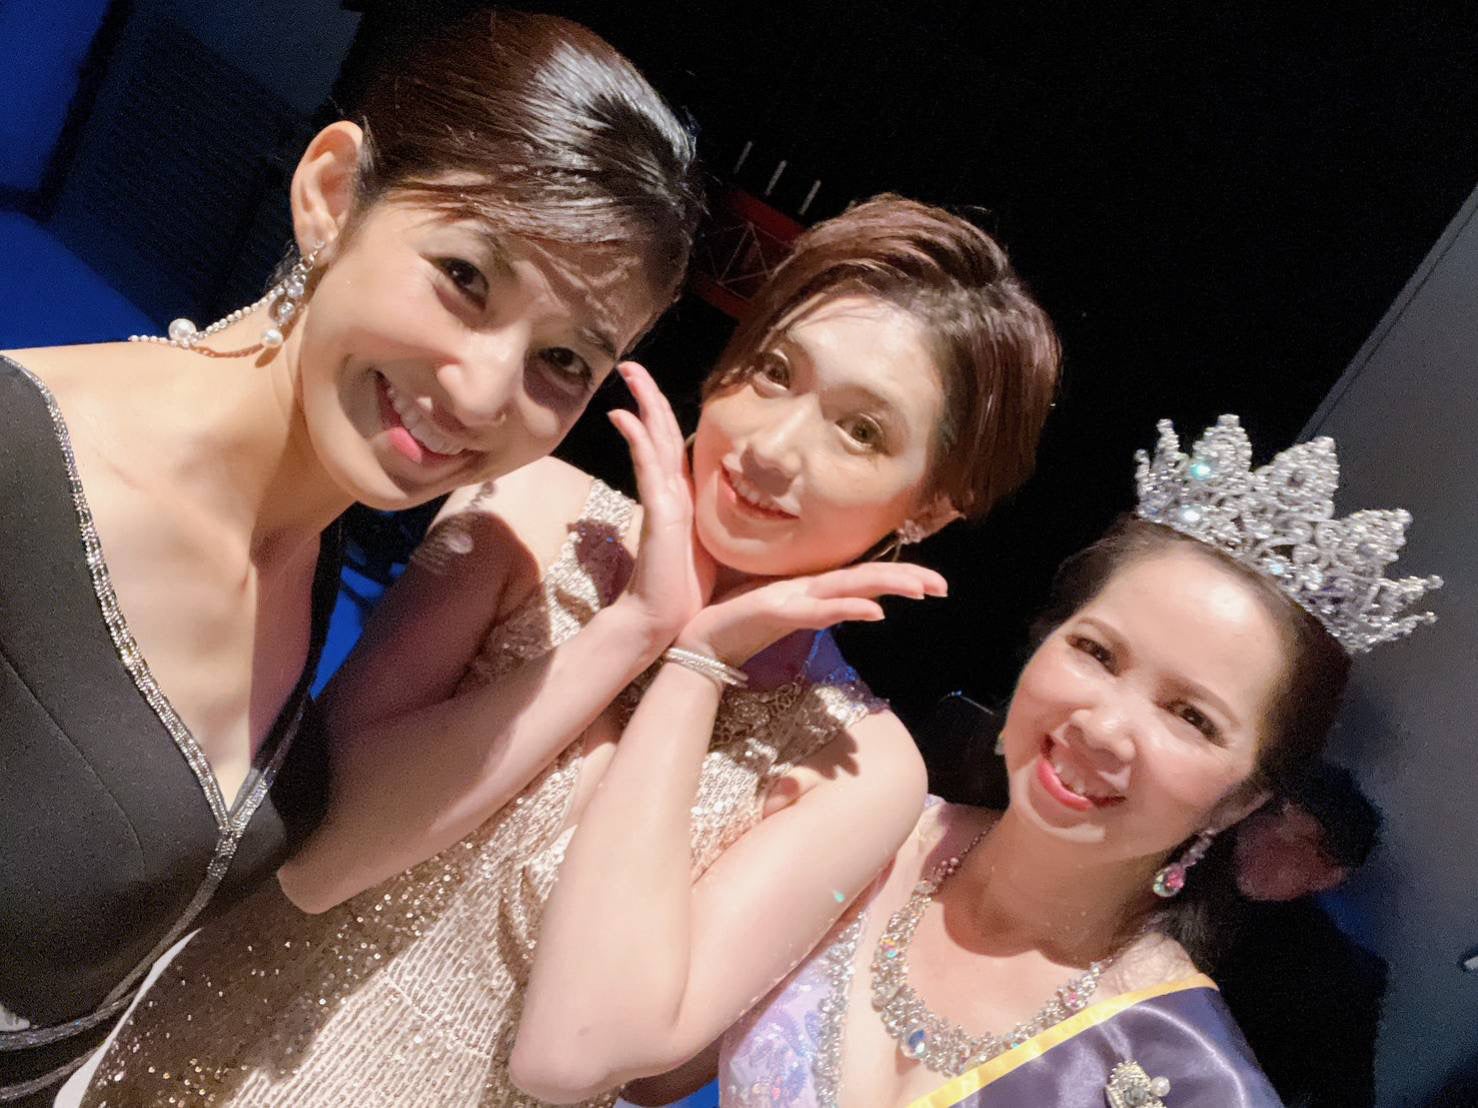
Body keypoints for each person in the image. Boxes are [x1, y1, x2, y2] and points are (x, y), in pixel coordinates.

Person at [79, 194, 1062, 1106]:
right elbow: (318, 861)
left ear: (931, 508)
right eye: (774, 372)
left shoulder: (860, 771)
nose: (772, 447)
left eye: (860, 431)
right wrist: (631, 628)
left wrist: (694, 667)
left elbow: (571, 1055)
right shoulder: (531, 514)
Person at [0, 10, 702, 1104]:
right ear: (332, 193)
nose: (483, 391)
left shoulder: (307, 548)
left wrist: (648, 629)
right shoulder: (21, 459)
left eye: (563, 360)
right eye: (465, 276)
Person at [588, 415, 1441, 1107]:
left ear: (1241, 800)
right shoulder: (860, 830)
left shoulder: (1188, 1076)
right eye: (1097, 653)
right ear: (1041, 645)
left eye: (1189, 716)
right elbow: (638, 1073)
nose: (1105, 727)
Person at [1220, 762, 1388, 1106]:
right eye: (1268, 821)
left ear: (1329, 875)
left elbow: (1345, 1096)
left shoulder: (1338, 979)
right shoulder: (1180, 871)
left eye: (1297, 843)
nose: (1267, 845)